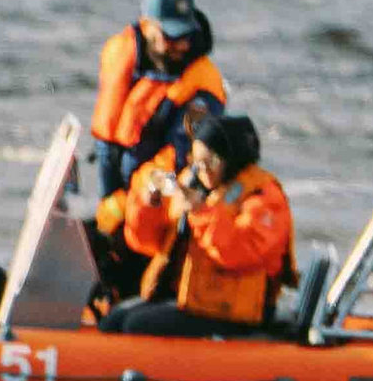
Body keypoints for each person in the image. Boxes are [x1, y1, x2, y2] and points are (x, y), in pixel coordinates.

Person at [89, 0, 227, 302]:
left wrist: (127, 203)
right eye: (170, 36)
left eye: (185, 35)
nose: (181, 45)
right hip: (120, 196)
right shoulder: (124, 53)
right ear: (147, 27)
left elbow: (180, 163)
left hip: (159, 205)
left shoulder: (200, 90)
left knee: (130, 268)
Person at [99, 114, 294, 338]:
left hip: (230, 310)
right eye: (197, 162)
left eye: (210, 162)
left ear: (231, 158)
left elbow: (238, 253)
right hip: (188, 297)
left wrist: (201, 212)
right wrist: (150, 204)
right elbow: (146, 242)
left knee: (137, 325)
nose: (203, 170)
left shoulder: (263, 197)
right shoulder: (193, 184)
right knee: (113, 320)